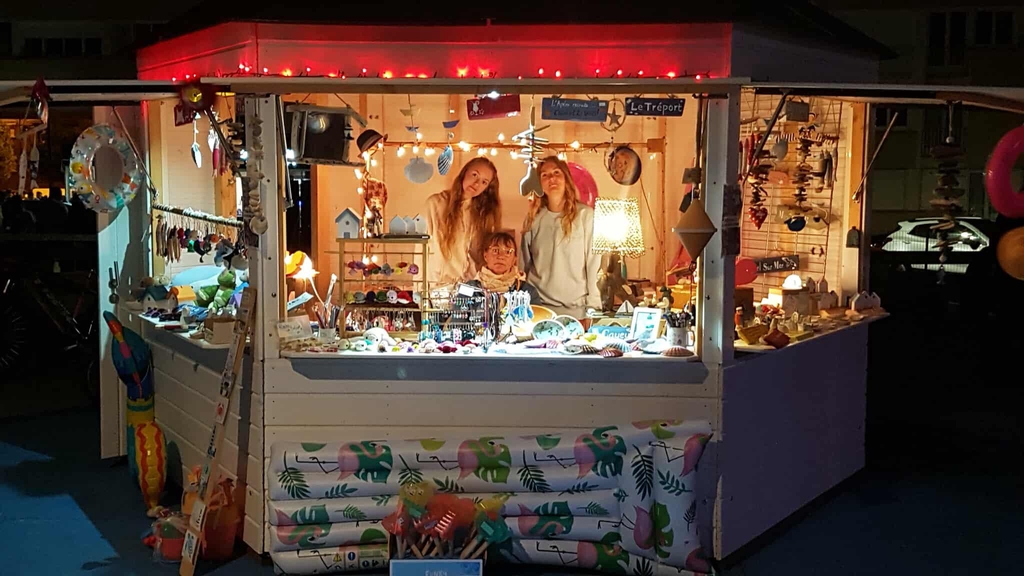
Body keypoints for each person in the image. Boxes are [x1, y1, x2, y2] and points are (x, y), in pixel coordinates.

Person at [520, 156, 601, 318]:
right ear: (539, 183)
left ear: (566, 179)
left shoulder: (586, 216)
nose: (552, 178)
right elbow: (523, 265)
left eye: (556, 172)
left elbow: (593, 263)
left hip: (576, 310)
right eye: (545, 175)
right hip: (539, 307)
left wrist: (593, 307)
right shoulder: (533, 219)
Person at [425, 157, 501, 285]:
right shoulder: (436, 203)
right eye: (474, 175)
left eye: (484, 182)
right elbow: (421, 247)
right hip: (437, 284)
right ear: (465, 172)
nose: (476, 183)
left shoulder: (484, 214)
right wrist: (419, 287)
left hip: (470, 285)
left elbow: (480, 256)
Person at [468, 231, 539, 301]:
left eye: (508, 252)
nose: (501, 256)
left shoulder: (527, 292)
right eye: (495, 250)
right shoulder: (469, 289)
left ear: (514, 259)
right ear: (485, 255)